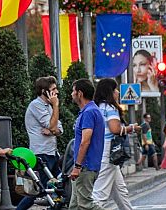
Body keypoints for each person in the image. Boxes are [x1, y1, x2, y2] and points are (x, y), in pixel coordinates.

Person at [90, 78, 138, 210]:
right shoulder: (109, 107)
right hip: (109, 150)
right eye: (115, 90)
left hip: (101, 148)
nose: (117, 92)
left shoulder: (97, 107)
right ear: (109, 92)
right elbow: (115, 129)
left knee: (120, 190)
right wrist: (132, 128)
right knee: (100, 193)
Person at [17, 76, 63, 210]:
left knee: (59, 186)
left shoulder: (49, 107)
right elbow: (51, 124)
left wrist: (53, 130)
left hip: (52, 152)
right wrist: (55, 106)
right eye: (53, 90)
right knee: (36, 190)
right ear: (44, 91)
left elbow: (59, 129)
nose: (56, 93)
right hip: (41, 154)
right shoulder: (36, 105)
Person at [68, 78, 106, 210]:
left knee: (85, 205)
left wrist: (77, 166)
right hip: (85, 166)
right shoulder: (90, 111)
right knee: (75, 205)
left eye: (73, 91)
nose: (71, 94)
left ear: (80, 93)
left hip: (85, 166)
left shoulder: (89, 113)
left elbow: (85, 141)